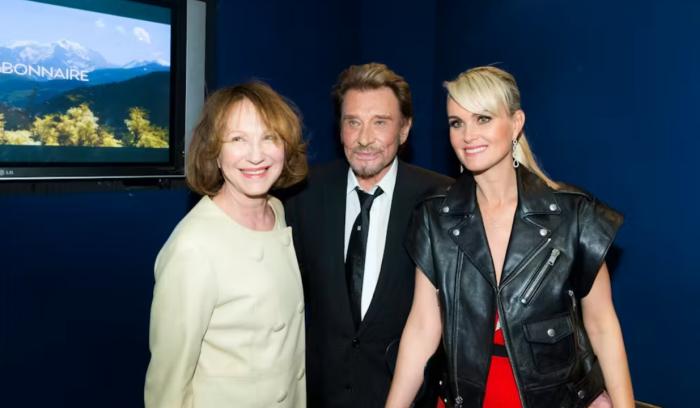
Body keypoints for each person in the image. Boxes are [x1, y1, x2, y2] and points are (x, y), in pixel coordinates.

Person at [385, 66, 634, 408]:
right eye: (457, 123)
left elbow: (603, 325)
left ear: (516, 123)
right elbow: (423, 327)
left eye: (483, 119)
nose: (468, 135)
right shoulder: (435, 217)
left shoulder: (574, 215)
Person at [283, 62, 453, 408]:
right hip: (320, 396)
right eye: (353, 122)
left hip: (406, 397)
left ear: (404, 130)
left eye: (380, 122)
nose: (363, 139)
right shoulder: (303, 194)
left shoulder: (441, 199)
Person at [144, 81, 308, 408]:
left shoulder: (277, 212)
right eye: (237, 139)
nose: (256, 155)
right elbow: (167, 387)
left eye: (269, 137)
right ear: (214, 152)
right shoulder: (192, 247)